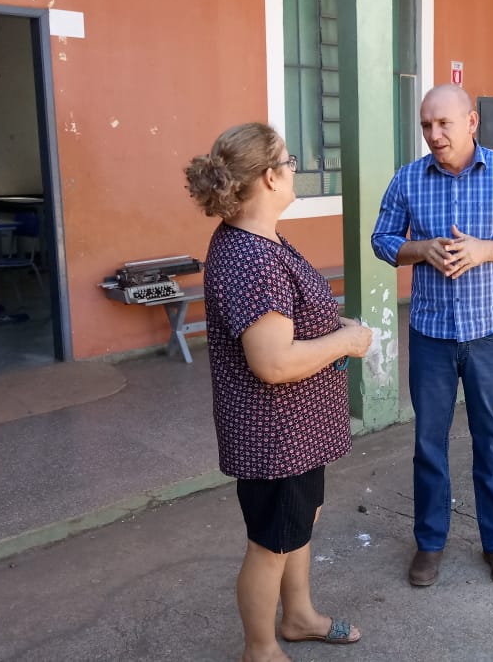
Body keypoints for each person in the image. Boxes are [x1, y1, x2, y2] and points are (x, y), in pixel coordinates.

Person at [185, 122, 373, 662]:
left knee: (297, 525)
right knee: (270, 546)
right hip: (276, 436)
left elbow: (289, 322)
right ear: (269, 177)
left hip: (295, 431)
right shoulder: (253, 257)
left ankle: (298, 616)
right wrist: (346, 342)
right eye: (288, 162)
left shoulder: (257, 239)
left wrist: (332, 327)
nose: (293, 170)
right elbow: (272, 363)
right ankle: (260, 649)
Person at [371, 84, 493, 589]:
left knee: (490, 441)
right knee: (428, 444)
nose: (434, 135)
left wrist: (485, 250)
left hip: (489, 332)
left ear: (471, 122)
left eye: (444, 124)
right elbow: (382, 240)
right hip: (430, 335)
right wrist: (421, 249)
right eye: (426, 125)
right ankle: (430, 544)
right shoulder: (408, 179)